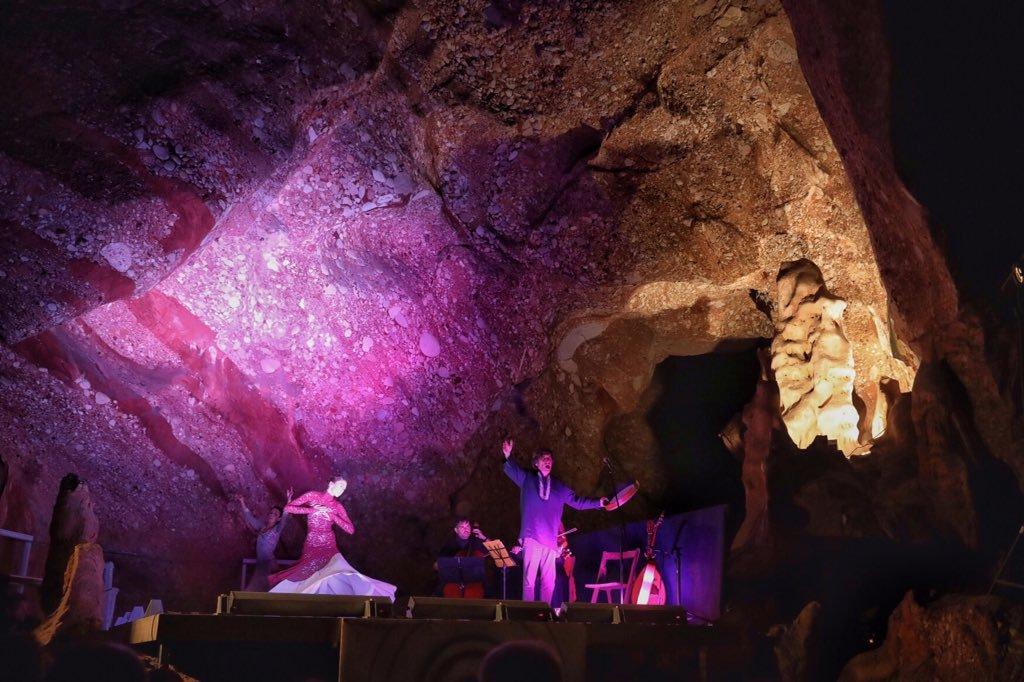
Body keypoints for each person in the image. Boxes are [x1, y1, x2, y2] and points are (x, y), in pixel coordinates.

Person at [501, 438, 608, 605]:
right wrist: (508, 455)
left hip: (550, 541)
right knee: (529, 581)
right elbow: (511, 469)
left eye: (550, 458)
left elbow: (578, 502)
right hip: (531, 538)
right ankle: (526, 613)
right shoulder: (527, 479)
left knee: (549, 583)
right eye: (543, 458)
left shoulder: (559, 487)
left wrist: (598, 503)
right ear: (535, 463)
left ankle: (546, 614)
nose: (548, 460)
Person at [268, 476, 396, 600]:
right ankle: (301, 601)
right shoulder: (312, 495)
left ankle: (346, 599)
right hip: (311, 543)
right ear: (331, 484)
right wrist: (312, 510)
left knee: (336, 570)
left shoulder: (337, 506)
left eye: (344, 489)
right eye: (340, 486)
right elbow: (288, 508)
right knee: (308, 573)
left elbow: (350, 529)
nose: (342, 490)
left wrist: (333, 516)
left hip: (329, 544)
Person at [235, 488, 292, 591]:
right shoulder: (261, 527)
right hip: (261, 563)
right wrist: (242, 501)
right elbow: (250, 518)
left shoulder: (276, 530)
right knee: (259, 588)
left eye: (275, 514)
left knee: (264, 589)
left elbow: (285, 516)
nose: (271, 515)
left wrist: (289, 501)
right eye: (271, 513)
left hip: (269, 563)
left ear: (278, 519)